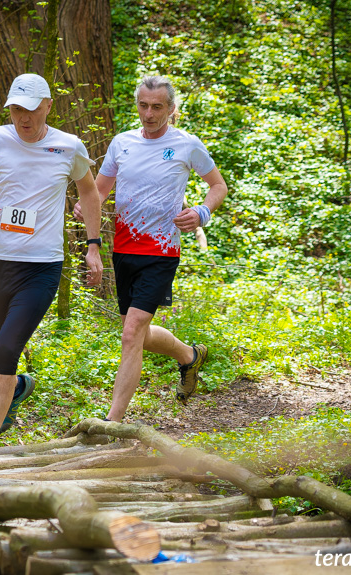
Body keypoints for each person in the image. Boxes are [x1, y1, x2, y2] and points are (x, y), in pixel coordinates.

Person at [0, 73, 104, 447]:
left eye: (31, 109)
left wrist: (93, 246)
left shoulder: (69, 147)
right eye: (16, 109)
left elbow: (90, 194)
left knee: (7, 348)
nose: (23, 117)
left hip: (41, 268)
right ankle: (16, 387)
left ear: (48, 106)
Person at [75, 75, 228, 422]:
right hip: (124, 249)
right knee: (137, 335)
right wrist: (87, 207)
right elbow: (98, 192)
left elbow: (218, 186)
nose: (149, 113)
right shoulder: (122, 143)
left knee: (131, 334)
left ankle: (111, 423)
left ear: (171, 109)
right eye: (143, 105)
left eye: (157, 106)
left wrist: (202, 212)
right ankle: (189, 356)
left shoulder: (187, 144)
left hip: (161, 252)